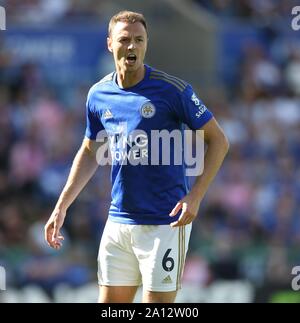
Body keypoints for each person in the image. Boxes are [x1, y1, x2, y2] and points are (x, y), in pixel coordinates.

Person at [44, 10, 229, 303]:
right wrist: (61, 206)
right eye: (125, 39)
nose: (132, 47)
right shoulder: (98, 95)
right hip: (118, 223)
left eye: (139, 40)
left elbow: (219, 140)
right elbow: (91, 150)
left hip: (164, 225)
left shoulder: (172, 90)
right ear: (109, 44)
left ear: (146, 44)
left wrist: (195, 196)